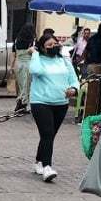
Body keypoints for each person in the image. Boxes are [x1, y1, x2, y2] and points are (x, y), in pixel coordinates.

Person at [27, 31, 79, 183]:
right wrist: (35, 54)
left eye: (55, 43)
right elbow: (35, 71)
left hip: (61, 103)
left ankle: (38, 162)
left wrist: (73, 89)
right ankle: (47, 167)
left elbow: (73, 79)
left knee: (48, 135)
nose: (53, 46)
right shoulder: (38, 60)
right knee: (48, 133)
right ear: (42, 48)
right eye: (49, 45)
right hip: (41, 102)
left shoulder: (64, 60)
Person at [11, 25, 37, 111]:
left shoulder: (16, 41)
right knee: (27, 85)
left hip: (18, 64)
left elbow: (13, 55)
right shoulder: (32, 42)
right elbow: (33, 53)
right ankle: (23, 102)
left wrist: (11, 66)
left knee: (21, 85)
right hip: (28, 65)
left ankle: (21, 101)